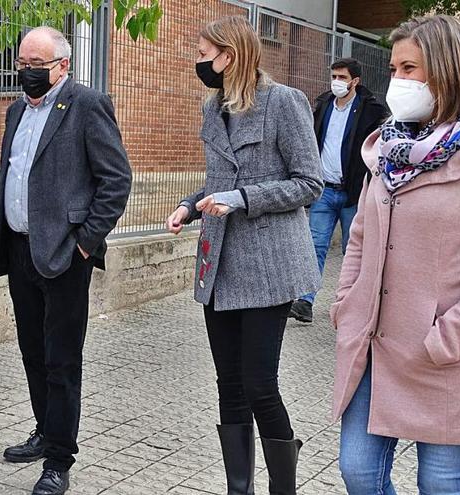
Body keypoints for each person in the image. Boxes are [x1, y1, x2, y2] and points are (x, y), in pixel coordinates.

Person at [331, 15, 460, 495]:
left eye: (410, 69)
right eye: (395, 68)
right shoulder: (387, 152)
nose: (397, 81)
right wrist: (346, 303)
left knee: (441, 485)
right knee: (358, 472)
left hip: (447, 355)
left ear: (446, 70)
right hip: (373, 345)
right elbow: (359, 236)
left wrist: (445, 337)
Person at [165, 16, 322, 495]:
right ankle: (240, 488)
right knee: (228, 384)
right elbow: (218, 182)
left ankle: (282, 490)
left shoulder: (284, 103)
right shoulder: (214, 108)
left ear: (229, 55)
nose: (198, 61)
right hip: (220, 266)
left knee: (259, 383)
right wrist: (191, 205)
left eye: (203, 51)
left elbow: (308, 184)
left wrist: (242, 199)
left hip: (269, 265)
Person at [0, 26, 132, 495]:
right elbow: (7, 179)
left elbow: (116, 181)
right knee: (32, 351)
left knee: (62, 359)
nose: (25, 72)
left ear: (62, 66)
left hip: (66, 255)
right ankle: (45, 431)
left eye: (35, 65)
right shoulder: (13, 111)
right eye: (22, 63)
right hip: (20, 250)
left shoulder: (86, 106)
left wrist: (85, 243)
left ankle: (60, 460)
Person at [289, 58, 387, 323]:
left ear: (355, 81)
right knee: (314, 246)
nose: (337, 82)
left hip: (353, 193)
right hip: (324, 190)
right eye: (334, 76)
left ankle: (349, 304)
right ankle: (304, 301)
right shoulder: (322, 106)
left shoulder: (371, 111)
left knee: (352, 249)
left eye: (343, 77)